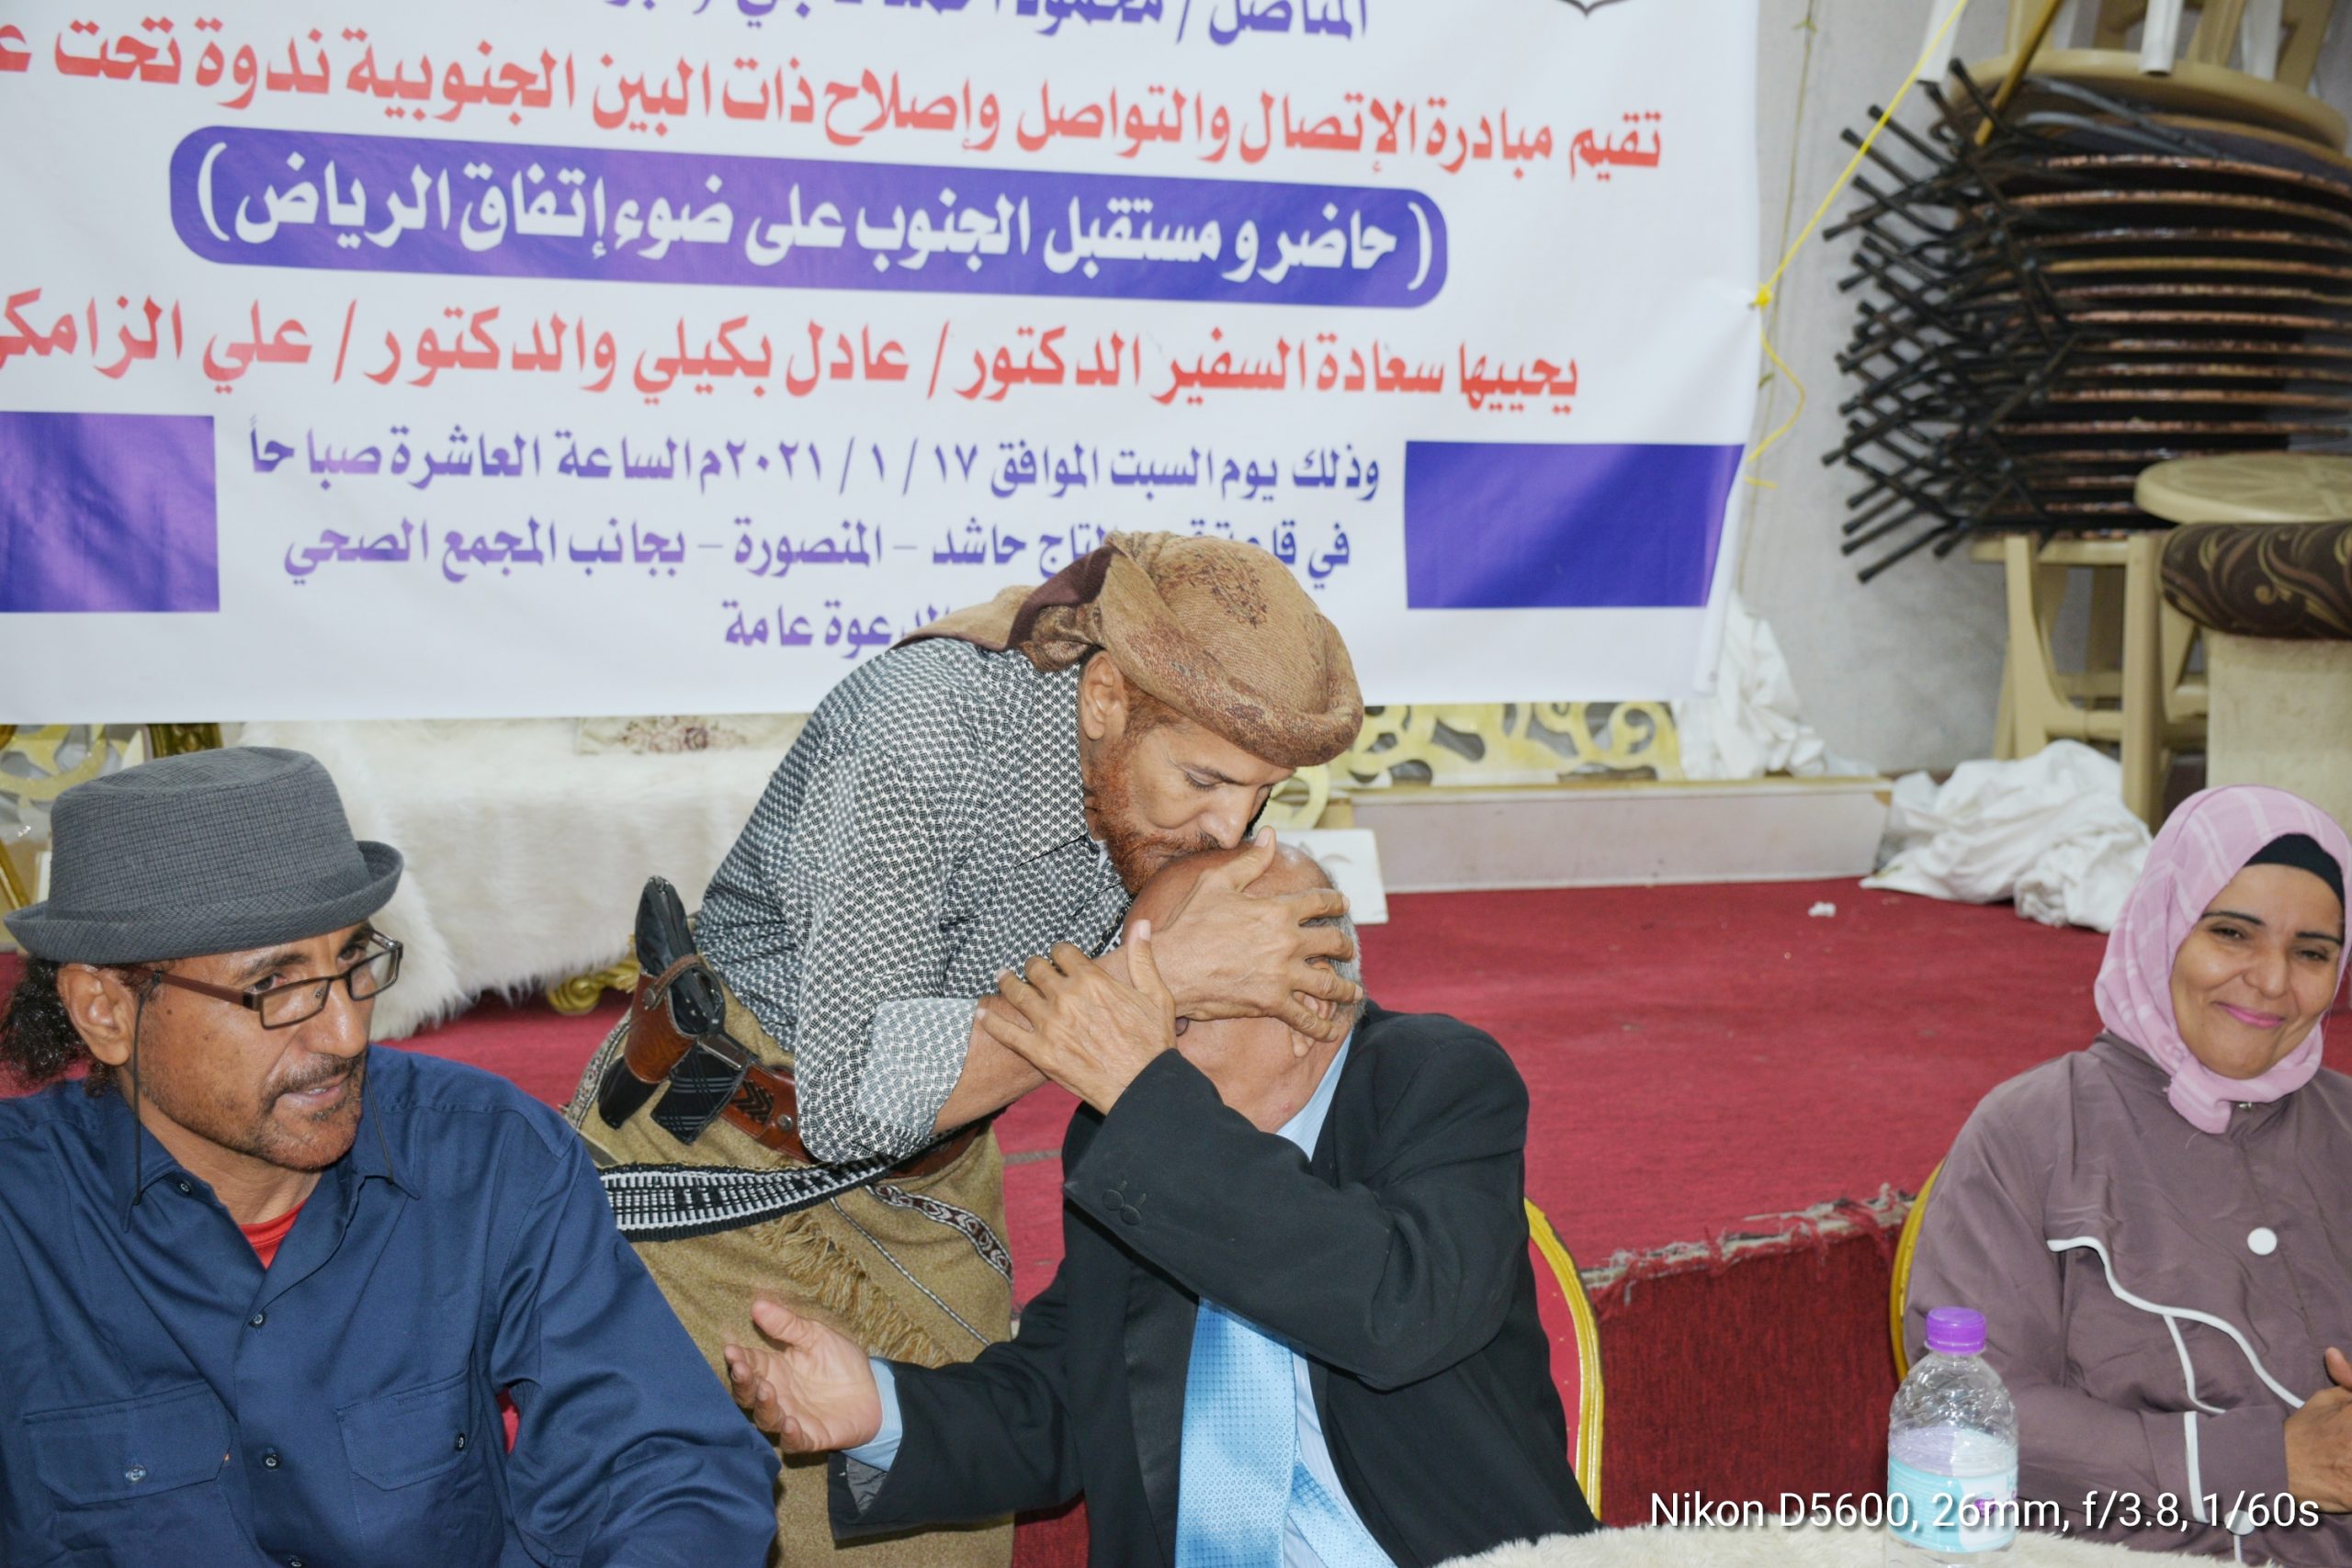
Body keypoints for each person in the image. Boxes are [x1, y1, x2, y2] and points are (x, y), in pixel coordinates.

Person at [567, 534, 1368, 1564]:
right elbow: (852, 1096)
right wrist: (1156, 977)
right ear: (1105, 698)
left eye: (1261, 793)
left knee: (945, 1511)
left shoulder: (1177, 804)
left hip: (935, 1181)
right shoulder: (923, 731)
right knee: (719, 1530)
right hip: (722, 1154)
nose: (1229, 827)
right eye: (1204, 779)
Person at [0, 747, 778, 1568]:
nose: (345, 1033)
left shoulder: (485, 1156)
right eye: (277, 987)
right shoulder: (20, 1218)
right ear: (105, 1010)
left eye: (353, 963)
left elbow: (669, 1466)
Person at [722, 842, 1600, 1567]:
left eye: (1172, 1013)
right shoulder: (1126, 1136)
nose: (1131, 1048)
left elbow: (1400, 1310)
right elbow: (1069, 1394)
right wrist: (879, 1407)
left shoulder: (1433, 1079)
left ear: (1308, 1007)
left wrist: (1147, 1096)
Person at [1905, 784, 2352, 1562]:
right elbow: (1968, 1420)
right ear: (2162, 926)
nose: (2274, 980)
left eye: (2312, 951)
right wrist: (2264, 1460)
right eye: (2232, 933)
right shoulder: (2034, 1133)